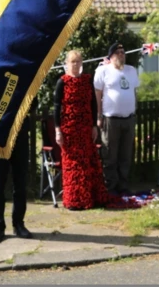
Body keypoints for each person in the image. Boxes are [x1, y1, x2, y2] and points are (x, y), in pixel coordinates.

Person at [53, 50, 107, 210]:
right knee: (72, 164)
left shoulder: (87, 80)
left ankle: (89, 198)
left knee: (87, 162)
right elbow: (56, 107)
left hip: (85, 128)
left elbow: (92, 103)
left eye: (78, 62)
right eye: (72, 62)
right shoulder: (62, 82)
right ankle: (74, 200)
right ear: (67, 64)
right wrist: (58, 130)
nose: (75, 65)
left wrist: (94, 126)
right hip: (69, 129)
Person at [94, 42, 140, 194]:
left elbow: (134, 92)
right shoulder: (103, 71)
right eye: (118, 52)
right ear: (111, 56)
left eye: (123, 52)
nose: (121, 54)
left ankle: (123, 185)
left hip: (128, 118)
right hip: (110, 119)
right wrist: (99, 116)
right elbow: (97, 95)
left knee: (125, 155)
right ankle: (111, 187)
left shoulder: (131, 70)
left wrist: (134, 109)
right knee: (110, 154)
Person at [0, 109, 33, 244]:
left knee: (20, 183)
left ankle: (18, 224)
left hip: (19, 130)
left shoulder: (22, 86)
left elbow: (33, 101)